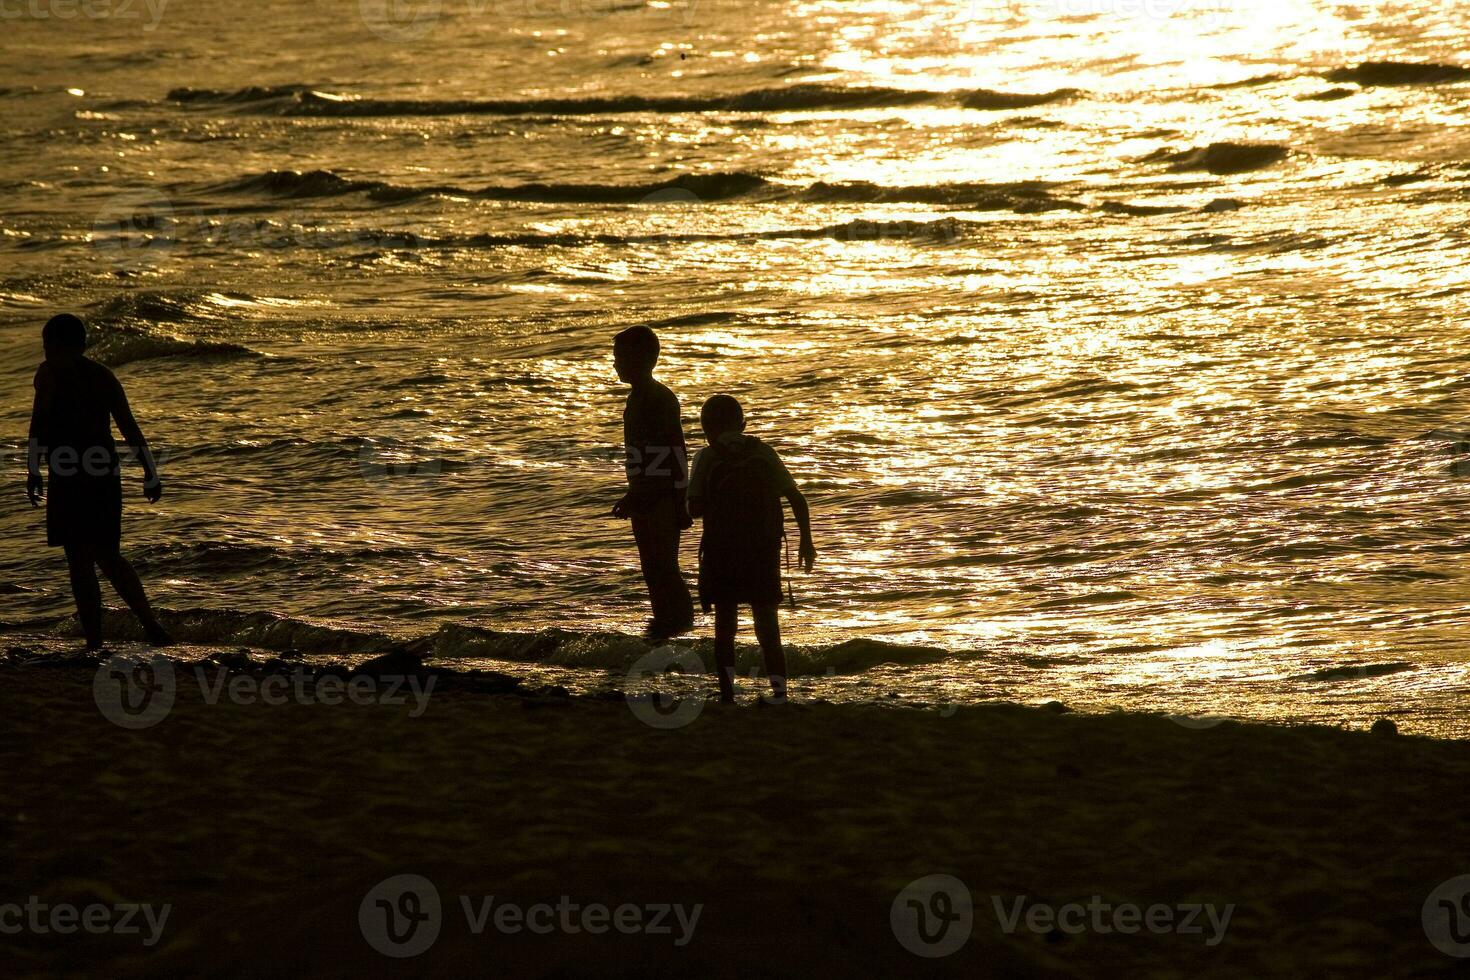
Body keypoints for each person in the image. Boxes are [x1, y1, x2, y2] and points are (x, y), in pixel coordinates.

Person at [26, 313, 173, 650]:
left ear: (71, 346)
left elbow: (126, 426)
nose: (46, 350)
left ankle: (144, 627)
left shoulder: (80, 377)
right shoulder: (65, 375)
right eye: (45, 345)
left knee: (98, 557)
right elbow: (39, 425)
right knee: (86, 559)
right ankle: (103, 638)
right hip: (79, 473)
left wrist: (151, 473)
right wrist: (33, 470)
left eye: (51, 344)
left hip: (88, 474)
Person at [686, 394, 815, 703]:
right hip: (762, 550)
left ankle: (728, 695)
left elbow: (694, 509)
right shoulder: (763, 453)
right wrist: (806, 541)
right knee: (767, 625)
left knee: (725, 625)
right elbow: (797, 498)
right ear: (743, 425)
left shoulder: (707, 456)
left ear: (705, 428)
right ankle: (779, 694)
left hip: (723, 551)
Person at [610, 326, 695, 640]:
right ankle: (666, 626)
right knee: (653, 568)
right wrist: (633, 493)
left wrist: (679, 500)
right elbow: (645, 455)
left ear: (641, 358)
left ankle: (680, 628)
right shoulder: (637, 398)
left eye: (620, 357)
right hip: (646, 495)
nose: (615, 364)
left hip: (660, 497)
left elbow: (675, 451)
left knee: (664, 568)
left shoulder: (658, 398)